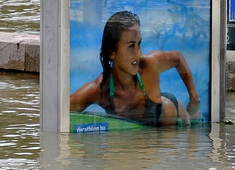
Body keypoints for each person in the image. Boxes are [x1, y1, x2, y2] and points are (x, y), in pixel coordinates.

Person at [70, 11, 201, 126]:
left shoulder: (149, 64)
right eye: (131, 46)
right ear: (112, 52)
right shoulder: (100, 90)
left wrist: (194, 97)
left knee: (196, 123)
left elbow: (178, 58)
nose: (138, 53)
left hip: (172, 115)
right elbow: (63, 112)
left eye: (139, 44)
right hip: (149, 127)